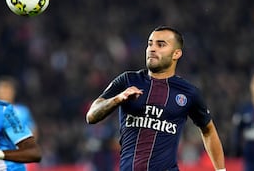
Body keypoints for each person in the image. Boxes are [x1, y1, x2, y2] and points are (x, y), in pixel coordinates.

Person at [85, 25, 226, 171]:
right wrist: (117, 99)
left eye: (161, 45)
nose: (152, 48)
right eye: (150, 44)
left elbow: (208, 130)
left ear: (176, 53)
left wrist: (221, 170)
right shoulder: (128, 80)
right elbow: (91, 116)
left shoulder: (188, 92)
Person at [232, 67, 254, 171]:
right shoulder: (243, 110)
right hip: (249, 161)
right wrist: (237, 151)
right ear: (251, 86)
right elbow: (236, 133)